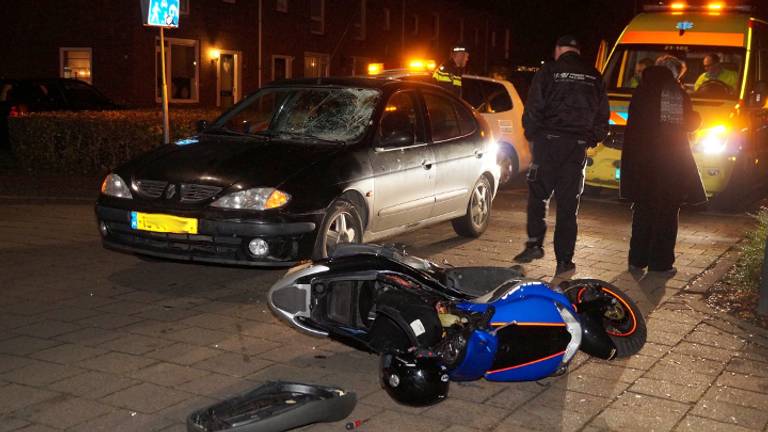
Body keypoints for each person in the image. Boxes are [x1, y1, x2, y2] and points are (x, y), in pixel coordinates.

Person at [514, 35, 610, 275]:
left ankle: (535, 243)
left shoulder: (549, 71)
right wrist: (590, 139)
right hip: (576, 147)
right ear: (577, 51)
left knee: (538, 195)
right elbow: (602, 116)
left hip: (548, 143)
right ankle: (564, 261)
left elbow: (534, 107)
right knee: (568, 207)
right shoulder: (594, 75)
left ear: (558, 50)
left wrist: (532, 135)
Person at [620, 55, 706, 274]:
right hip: (669, 162)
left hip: (641, 162)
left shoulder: (641, 90)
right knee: (666, 213)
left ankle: (636, 261)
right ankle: (661, 264)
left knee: (643, 210)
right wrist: (697, 117)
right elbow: (689, 123)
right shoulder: (676, 91)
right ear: (675, 72)